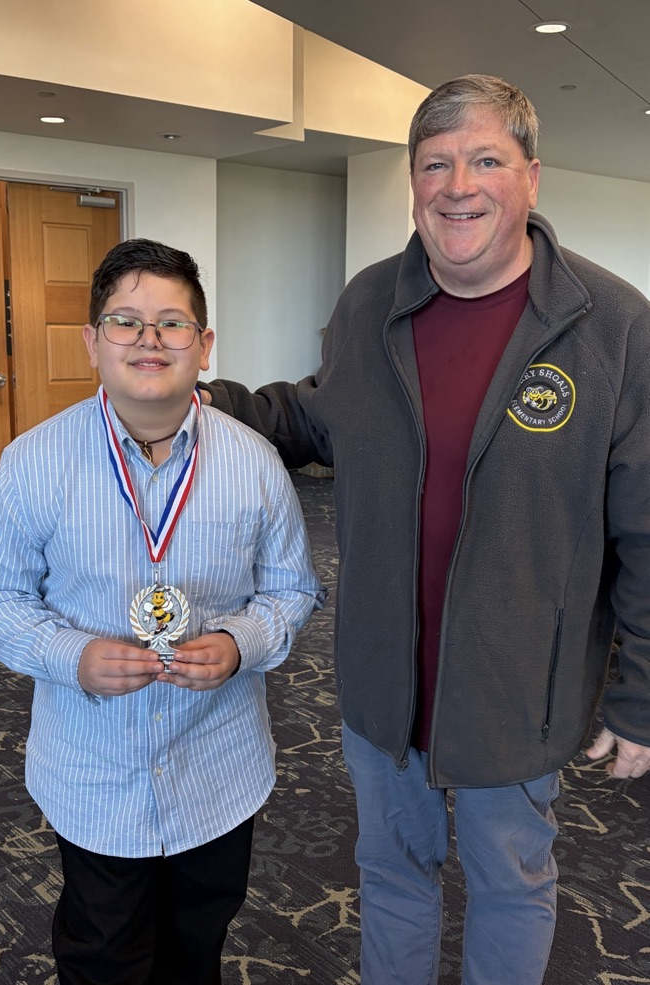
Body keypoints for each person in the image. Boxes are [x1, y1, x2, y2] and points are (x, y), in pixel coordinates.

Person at [201, 75, 650, 984]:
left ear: (531, 176)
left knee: (511, 881)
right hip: (384, 677)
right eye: (435, 163)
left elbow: (646, 527)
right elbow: (327, 416)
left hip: (517, 688)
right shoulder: (370, 301)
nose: (458, 185)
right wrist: (212, 403)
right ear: (412, 183)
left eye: (485, 159)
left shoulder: (614, 327)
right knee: (392, 872)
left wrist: (641, 695)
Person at [0, 238, 324, 985]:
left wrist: (240, 640)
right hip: (95, 768)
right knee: (102, 946)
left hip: (216, 764)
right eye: (125, 321)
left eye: (172, 323)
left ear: (205, 344)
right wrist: (70, 655)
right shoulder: (35, 460)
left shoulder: (254, 462)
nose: (149, 340)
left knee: (198, 942)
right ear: (93, 342)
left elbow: (292, 589)